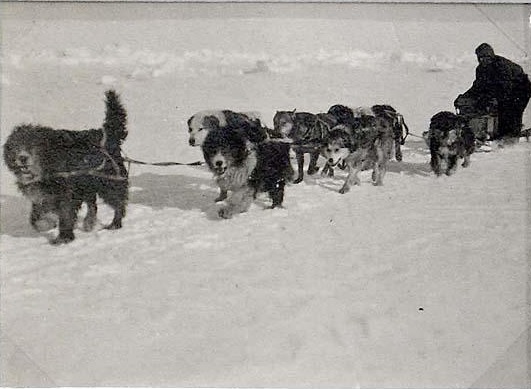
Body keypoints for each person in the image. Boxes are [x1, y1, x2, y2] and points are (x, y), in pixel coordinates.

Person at [455, 43, 531, 143]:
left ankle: (510, 137)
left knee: (510, 110)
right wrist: (464, 97)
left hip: (520, 89)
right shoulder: (480, 69)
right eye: (480, 57)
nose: (482, 60)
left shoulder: (502, 66)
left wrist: (492, 99)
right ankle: (494, 131)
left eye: (485, 57)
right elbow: (478, 87)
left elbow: (506, 87)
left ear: (491, 56)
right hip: (503, 90)